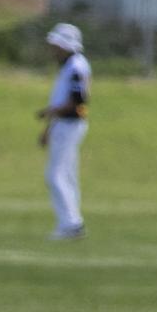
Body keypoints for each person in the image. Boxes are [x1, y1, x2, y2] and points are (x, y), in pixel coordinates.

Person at [37, 22, 91, 240]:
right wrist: (49, 128)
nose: (53, 49)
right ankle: (72, 222)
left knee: (55, 175)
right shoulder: (69, 66)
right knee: (67, 175)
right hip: (62, 125)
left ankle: (71, 224)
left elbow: (79, 101)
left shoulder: (77, 66)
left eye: (56, 44)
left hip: (70, 125)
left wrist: (51, 112)